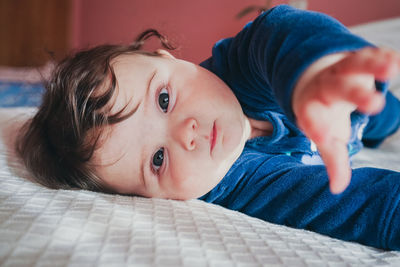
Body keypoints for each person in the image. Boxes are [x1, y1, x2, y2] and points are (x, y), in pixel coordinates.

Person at [16, 5, 400, 250]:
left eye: (164, 99)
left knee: (384, 112)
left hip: (349, 100)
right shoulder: (237, 187)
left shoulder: (240, 70)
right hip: (336, 150)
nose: (186, 134)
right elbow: (352, 204)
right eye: (157, 160)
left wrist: (311, 74)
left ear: (169, 58)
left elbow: (276, 33)